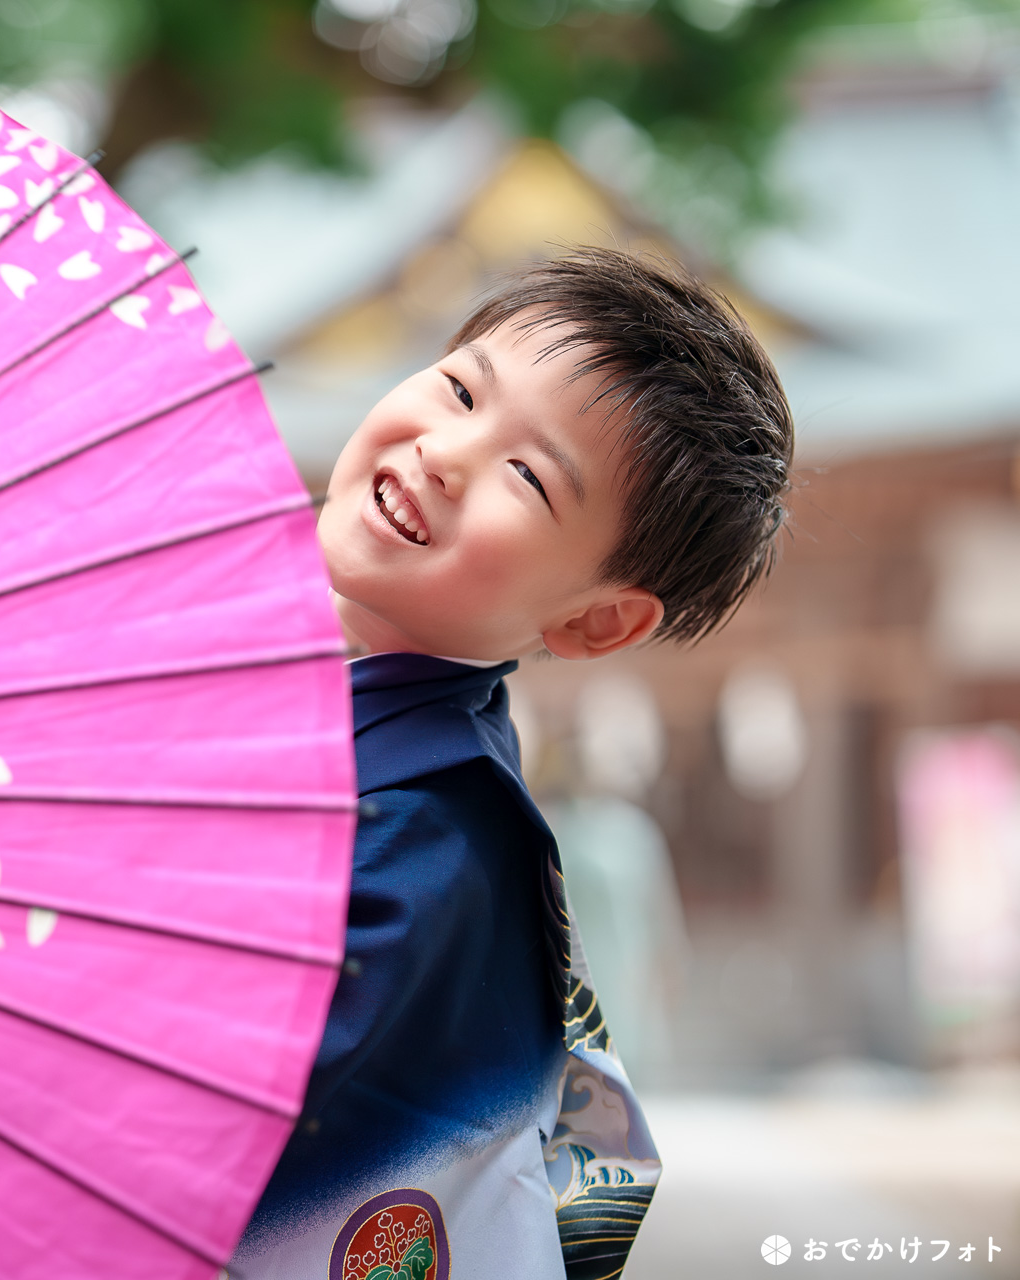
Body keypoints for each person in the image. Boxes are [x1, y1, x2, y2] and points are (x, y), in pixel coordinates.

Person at [228, 247, 793, 1279]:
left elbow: (207, 1113)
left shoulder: (430, 837)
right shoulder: (255, 664)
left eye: (526, 474)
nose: (446, 451)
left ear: (593, 619)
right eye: (457, 388)